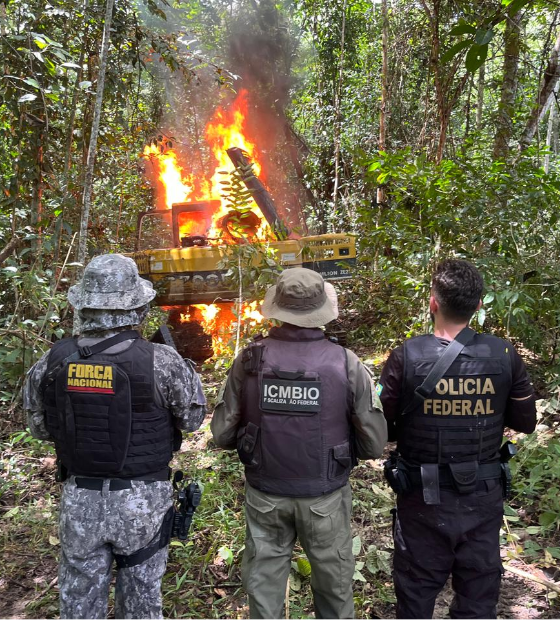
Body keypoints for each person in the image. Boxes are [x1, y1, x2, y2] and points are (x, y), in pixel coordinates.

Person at [23, 254, 206, 620]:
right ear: (137, 307)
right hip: (143, 503)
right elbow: (192, 419)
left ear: (83, 306)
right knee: (140, 602)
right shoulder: (163, 361)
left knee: (78, 602)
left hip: (80, 500)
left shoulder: (52, 361)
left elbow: (40, 428)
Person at [211, 267, 388, 620]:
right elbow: (373, 444)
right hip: (325, 496)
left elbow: (222, 433)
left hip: (265, 495)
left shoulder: (248, 359)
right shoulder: (345, 363)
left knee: (263, 589)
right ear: (321, 310)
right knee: (335, 588)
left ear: (277, 307)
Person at [379, 259, 537, 620]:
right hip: (480, 496)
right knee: (478, 595)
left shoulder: (407, 355)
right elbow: (525, 423)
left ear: (433, 302)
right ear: (479, 306)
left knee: (416, 592)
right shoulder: (504, 354)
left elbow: (382, 425)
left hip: (422, 497)